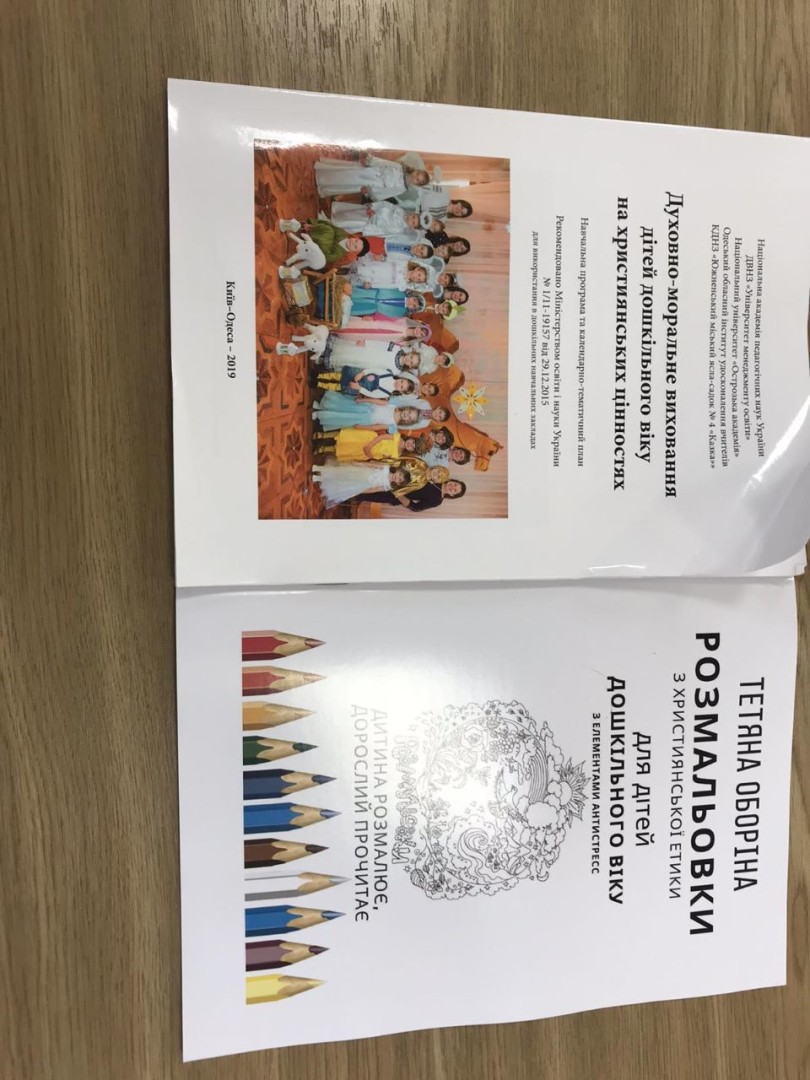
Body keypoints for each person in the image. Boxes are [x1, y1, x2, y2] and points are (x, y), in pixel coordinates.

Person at [314, 154, 429, 200]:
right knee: (348, 171)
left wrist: (371, 192)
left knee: (349, 181)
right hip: (371, 170)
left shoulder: (401, 189)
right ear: (416, 170)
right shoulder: (400, 167)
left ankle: (324, 184)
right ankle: (324, 170)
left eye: (417, 180)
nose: (415, 177)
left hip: (373, 184)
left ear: (416, 184)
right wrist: (370, 161)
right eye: (417, 174)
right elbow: (384, 163)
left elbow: (386, 193)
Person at [313, 461, 411, 508]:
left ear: (398, 483)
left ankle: (319, 479)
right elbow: (373, 465)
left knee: (344, 483)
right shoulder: (387, 468)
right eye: (399, 475)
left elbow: (375, 490)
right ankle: (319, 469)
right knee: (342, 472)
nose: (397, 477)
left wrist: (362, 490)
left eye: (399, 480)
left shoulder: (388, 486)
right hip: (363, 472)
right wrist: (360, 464)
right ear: (398, 471)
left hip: (364, 484)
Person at [313, 393, 432, 431]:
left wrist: (362, 427)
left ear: (408, 422)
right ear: (408, 408)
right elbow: (378, 402)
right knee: (343, 405)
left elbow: (376, 427)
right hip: (366, 407)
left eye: (409, 418)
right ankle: (322, 405)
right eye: (409, 412)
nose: (407, 415)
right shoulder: (393, 406)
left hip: (366, 419)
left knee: (344, 417)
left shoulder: (393, 425)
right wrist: (364, 400)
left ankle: (320, 415)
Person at [358, 478, 466, 512]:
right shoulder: (438, 477)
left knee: (362, 494)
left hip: (393, 495)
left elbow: (415, 507)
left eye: (454, 490)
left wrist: (397, 493)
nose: (452, 487)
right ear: (453, 480)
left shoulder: (437, 500)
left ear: (452, 495)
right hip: (396, 478)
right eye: (455, 484)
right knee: (364, 481)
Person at [296, 220, 370, 266]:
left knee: (327, 236)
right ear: (355, 237)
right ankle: (309, 228)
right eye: (356, 241)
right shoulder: (343, 235)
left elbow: (327, 257)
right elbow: (335, 229)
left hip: (321, 248)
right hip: (321, 232)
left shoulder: (339, 253)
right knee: (329, 229)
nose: (353, 243)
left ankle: (309, 239)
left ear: (353, 251)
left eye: (355, 247)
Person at [330, 200, 422, 236]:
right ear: (413, 214)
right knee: (349, 213)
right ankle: (334, 213)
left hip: (369, 223)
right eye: (413, 217)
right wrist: (373, 207)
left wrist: (369, 228)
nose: (411, 219)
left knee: (350, 221)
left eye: (413, 222)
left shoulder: (399, 229)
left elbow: (383, 232)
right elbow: (385, 204)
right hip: (371, 212)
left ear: (412, 227)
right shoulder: (400, 210)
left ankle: (333, 223)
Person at [315, 367, 418, 399]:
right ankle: (319, 376)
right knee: (338, 376)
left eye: (401, 387)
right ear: (402, 378)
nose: (399, 384)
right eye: (401, 382)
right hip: (358, 376)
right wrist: (362, 373)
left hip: (358, 387)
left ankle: (319, 384)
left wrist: (358, 388)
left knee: (338, 386)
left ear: (401, 391)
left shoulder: (387, 393)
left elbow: (371, 394)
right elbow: (374, 369)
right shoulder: (388, 374)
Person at [343, 283, 426, 319]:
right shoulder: (400, 290)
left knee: (349, 306)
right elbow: (384, 285)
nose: (411, 303)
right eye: (414, 300)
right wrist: (372, 285)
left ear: (413, 310)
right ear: (413, 295)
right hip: (371, 292)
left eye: (414, 305)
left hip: (371, 308)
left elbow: (383, 318)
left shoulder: (400, 314)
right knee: (349, 292)